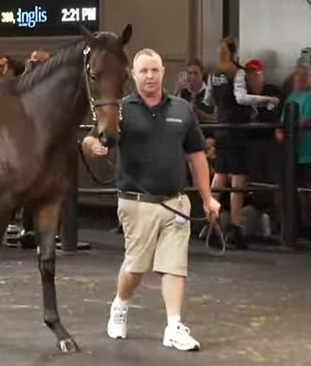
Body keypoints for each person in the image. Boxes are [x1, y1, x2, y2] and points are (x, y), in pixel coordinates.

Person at [82, 48, 219, 351]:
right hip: (137, 202)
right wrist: (95, 147)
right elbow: (91, 138)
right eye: (143, 71)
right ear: (133, 75)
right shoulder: (121, 109)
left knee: (174, 266)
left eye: (155, 70)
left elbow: (196, 156)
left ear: (163, 73)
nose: (150, 76)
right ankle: (120, 304)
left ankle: (174, 326)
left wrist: (208, 199)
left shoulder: (182, 109)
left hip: (176, 203)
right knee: (136, 267)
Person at [203, 37, 280, 249]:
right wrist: (265, 99)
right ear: (235, 52)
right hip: (236, 129)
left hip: (222, 128)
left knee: (219, 176)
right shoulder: (236, 72)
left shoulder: (214, 73)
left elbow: (209, 101)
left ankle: (210, 221)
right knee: (237, 178)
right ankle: (236, 227)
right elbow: (240, 98)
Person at [278, 62, 311, 242]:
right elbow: (284, 121)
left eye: (304, 75)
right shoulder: (291, 97)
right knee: (300, 189)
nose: (299, 79)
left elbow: (305, 122)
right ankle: (305, 223)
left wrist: (288, 134)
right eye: (297, 75)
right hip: (295, 152)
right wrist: (280, 132)